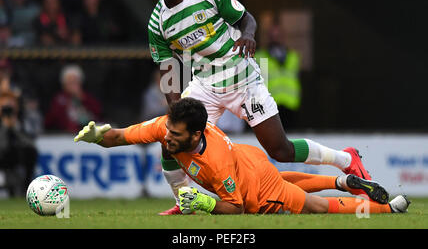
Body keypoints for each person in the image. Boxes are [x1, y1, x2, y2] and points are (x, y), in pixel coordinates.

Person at [145, 0, 372, 214]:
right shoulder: (157, 21)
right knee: (170, 141)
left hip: (242, 80)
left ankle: (346, 159)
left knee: (280, 150)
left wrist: (249, 35)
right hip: (205, 86)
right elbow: (167, 65)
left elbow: (246, 19)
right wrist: (174, 106)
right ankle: (183, 202)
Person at [74, 97, 410, 215]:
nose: (167, 138)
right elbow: (123, 135)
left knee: (316, 206)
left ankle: (385, 209)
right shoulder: (168, 126)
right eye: (168, 131)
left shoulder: (215, 161)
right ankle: (342, 180)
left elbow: (235, 208)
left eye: (175, 136)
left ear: (195, 135)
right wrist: (98, 137)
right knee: (287, 178)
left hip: (258, 193)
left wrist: (205, 204)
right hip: (252, 162)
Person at [255, 21, 301, 129]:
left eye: (278, 35)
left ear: (284, 37)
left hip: (291, 104)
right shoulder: (261, 57)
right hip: (270, 105)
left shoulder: (293, 56)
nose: (275, 39)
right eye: (272, 36)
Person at [0, 90, 38, 196]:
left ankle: (25, 187)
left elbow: (29, 141)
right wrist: (4, 127)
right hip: (2, 154)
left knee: (31, 152)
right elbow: (2, 144)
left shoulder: (22, 118)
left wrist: (14, 127)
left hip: (16, 153)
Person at [45, 64, 101, 133]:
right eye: (69, 82)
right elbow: (51, 120)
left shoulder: (87, 98)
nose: (72, 85)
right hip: (63, 135)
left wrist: (82, 99)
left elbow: (97, 114)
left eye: (75, 82)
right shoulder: (58, 100)